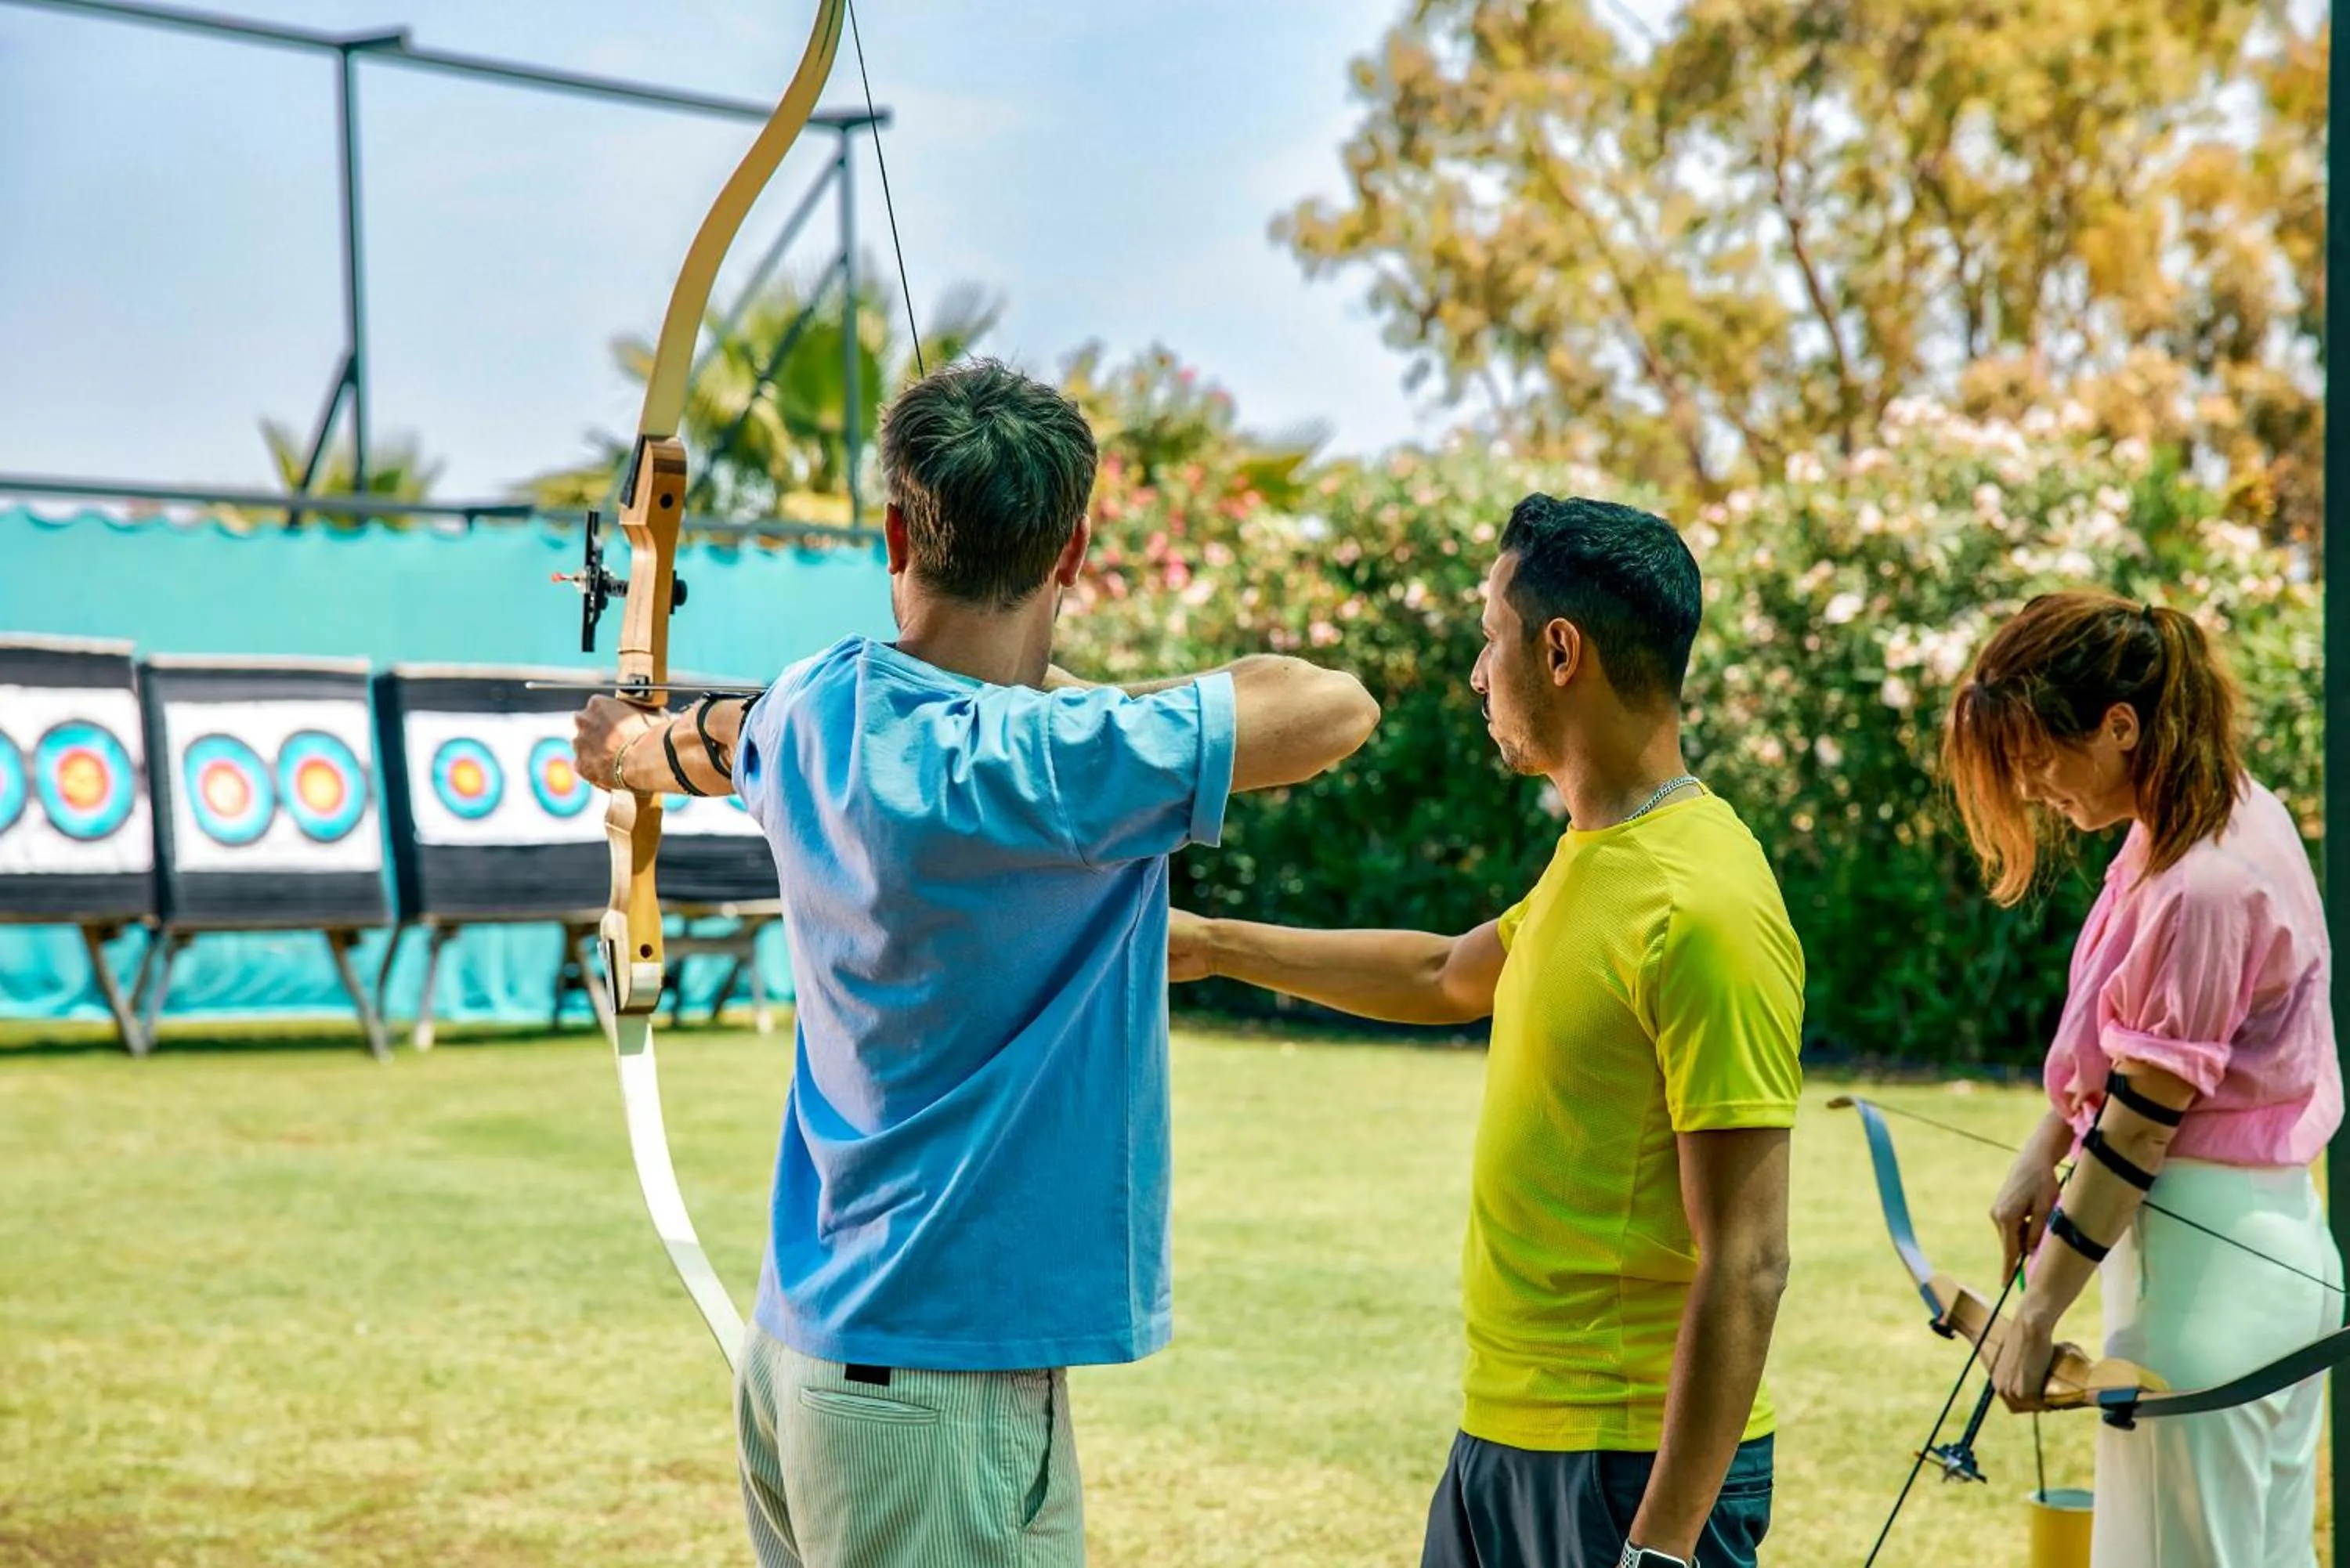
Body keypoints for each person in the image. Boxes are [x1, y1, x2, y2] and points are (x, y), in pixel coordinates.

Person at [571, 358, 1381, 1568]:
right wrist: (1084, 715)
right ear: (1070, 552)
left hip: (807, 1360)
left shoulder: (814, 705)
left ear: (898, 530)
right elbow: (1329, 704)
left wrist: (635, 747)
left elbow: (719, 737)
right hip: (935, 1398)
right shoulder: (1059, 762)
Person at [1169, 494, 1801, 1568]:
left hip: (1626, 1466)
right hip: (1510, 1433)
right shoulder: (1598, 856)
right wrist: (1216, 943)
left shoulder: (1704, 906)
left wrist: (1661, 1547)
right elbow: (1448, 972)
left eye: (1488, 637)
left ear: (1560, 650)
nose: (1475, 672)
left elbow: (1747, 1259)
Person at [1945, 589, 2343, 1567]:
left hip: (2199, 1288)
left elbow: (2137, 1128)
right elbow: (2125, 1063)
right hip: (2270, 1261)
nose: (2032, 786)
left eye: (2039, 754)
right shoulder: (2216, 817)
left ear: (2121, 726)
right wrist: (2043, 1147)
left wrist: (2039, 1308)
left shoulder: (2202, 878)